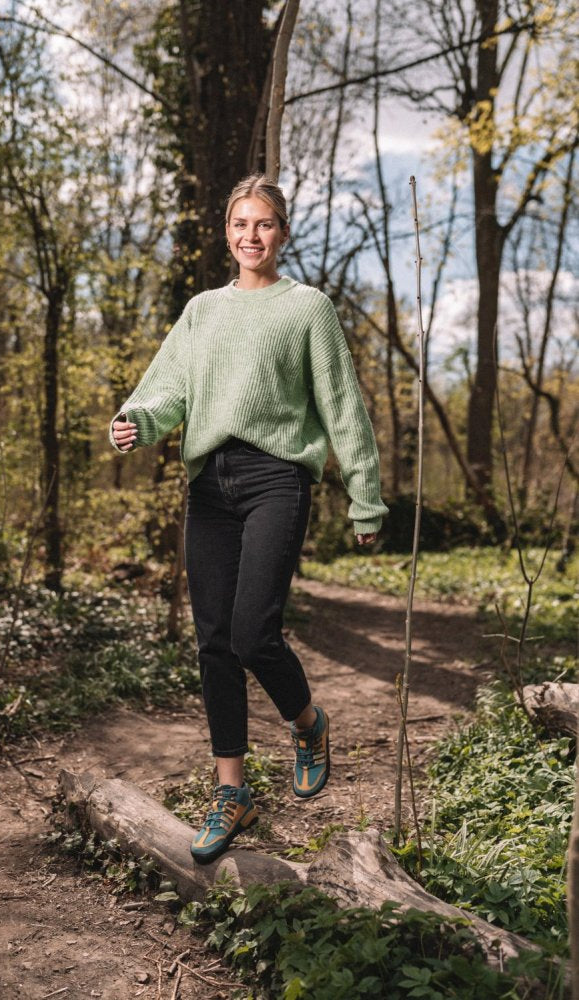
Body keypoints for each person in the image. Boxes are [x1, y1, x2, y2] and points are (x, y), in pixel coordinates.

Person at [109, 174, 387, 865]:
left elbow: (341, 406)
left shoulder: (307, 308)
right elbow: (166, 389)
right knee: (212, 641)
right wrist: (138, 421)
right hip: (209, 485)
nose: (251, 236)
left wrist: (365, 496)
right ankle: (231, 792)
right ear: (227, 233)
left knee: (251, 632)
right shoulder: (203, 310)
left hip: (276, 479)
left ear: (282, 233)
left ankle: (306, 722)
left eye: (263, 224)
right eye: (240, 225)